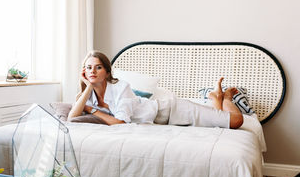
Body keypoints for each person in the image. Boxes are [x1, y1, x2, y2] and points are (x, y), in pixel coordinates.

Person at [68, 50, 244, 129]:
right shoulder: (86, 95)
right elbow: (71, 117)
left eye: (98, 67)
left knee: (235, 121)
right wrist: (88, 86)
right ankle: (216, 99)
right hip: (163, 123)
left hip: (171, 110)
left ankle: (225, 98)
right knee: (217, 121)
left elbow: (121, 123)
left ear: (106, 72)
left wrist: (91, 110)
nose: (92, 71)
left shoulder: (122, 87)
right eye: (88, 68)